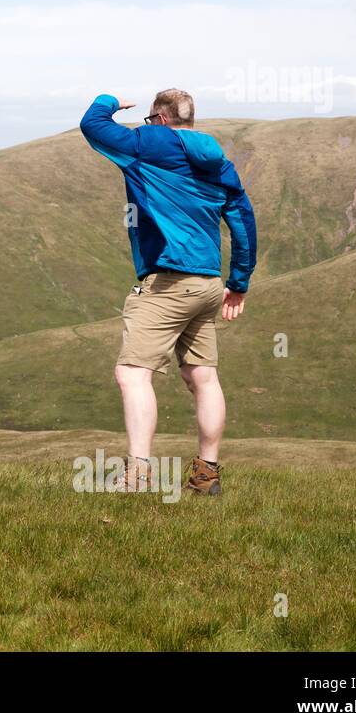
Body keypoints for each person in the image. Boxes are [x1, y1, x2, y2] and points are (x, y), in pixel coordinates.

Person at [79, 89, 257, 495]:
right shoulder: (220, 163)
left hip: (168, 281)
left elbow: (93, 126)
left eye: (147, 119)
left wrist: (109, 100)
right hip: (209, 284)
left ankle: (138, 473)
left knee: (132, 373)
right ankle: (205, 476)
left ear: (159, 119)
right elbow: (243, 221)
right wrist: (238, 282)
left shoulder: (152, 143)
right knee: (202, 376)